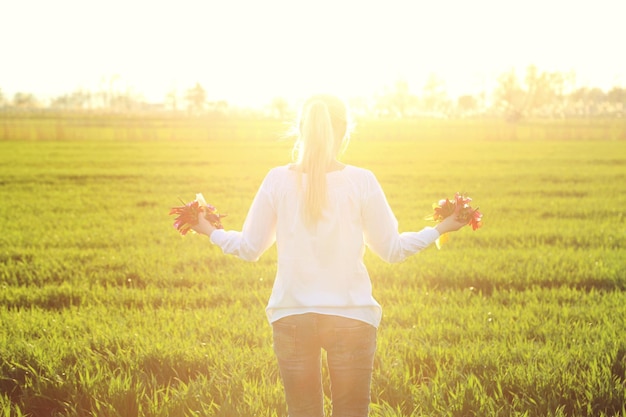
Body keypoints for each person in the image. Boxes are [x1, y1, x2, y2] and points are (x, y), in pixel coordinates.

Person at [192, 94, 470, 417]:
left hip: (292, 316)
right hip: (351, 317)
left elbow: (250, 248)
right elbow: (392, 250)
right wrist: (441, 228)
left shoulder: (276, 180)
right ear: (346, 132)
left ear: (301, 129)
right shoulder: (361, 181)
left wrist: (209, 230)